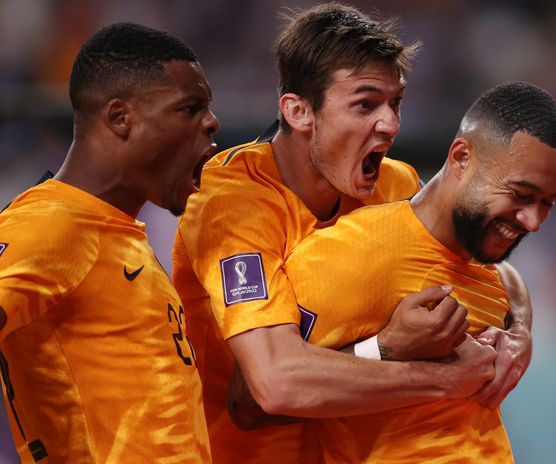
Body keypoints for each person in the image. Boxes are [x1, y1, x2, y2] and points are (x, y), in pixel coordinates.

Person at [173, 3, 531, 462]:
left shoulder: (395, 184)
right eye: (365, 104)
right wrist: (398, 354)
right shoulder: (233, 205)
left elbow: (491, 266)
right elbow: (272, 384)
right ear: (299, 111)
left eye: (395, 103)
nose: (390, 125)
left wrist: (519, 331)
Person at [230, 81, 556, 462]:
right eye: (521, 195)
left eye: (549, 203)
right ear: (461, 159)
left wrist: (519, 331)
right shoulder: (352, 254)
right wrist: (384, 350)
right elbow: (253, 401)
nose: (534, 220)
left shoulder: (480, 249)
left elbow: (505, 276)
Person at [0, 23, 219, 462]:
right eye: (189, 108)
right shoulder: (49, 225)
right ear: (121, 118)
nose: (212, 123)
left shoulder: (119, 232)